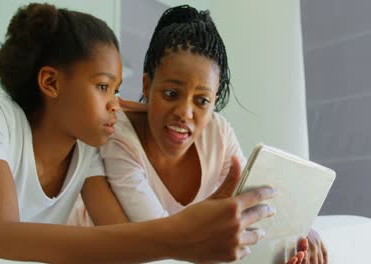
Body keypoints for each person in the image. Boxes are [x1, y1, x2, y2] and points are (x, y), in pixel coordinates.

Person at [0, 3, 281, 263]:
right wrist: (178, 235)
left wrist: (188, 238)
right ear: (51, 83)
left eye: (116, 90)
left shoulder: (86, 150)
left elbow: (124, 237)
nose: (115, 104)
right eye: (102, 86)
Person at [69, 5, 324, 264]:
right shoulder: (120, 137)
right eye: (170, 94)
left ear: (214, 102)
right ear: (147, 85)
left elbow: (259, 207)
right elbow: (163, 239)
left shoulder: (219, 133)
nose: (184, 113)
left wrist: (297, 232)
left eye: (201, 101)